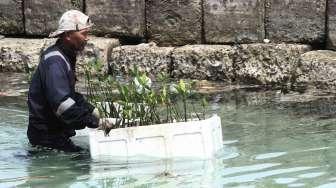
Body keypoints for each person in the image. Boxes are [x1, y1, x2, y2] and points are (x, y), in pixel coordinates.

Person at [27, 10, 110, 152]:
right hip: (47, 138)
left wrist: (91, 110)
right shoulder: (55, 62)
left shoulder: (64, 56)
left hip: (55, 135)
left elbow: (69, 95)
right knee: (87, 165)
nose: (87, 38)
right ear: (68, 35)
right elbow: (62, 104)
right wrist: (93, 121)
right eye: (84, 34)